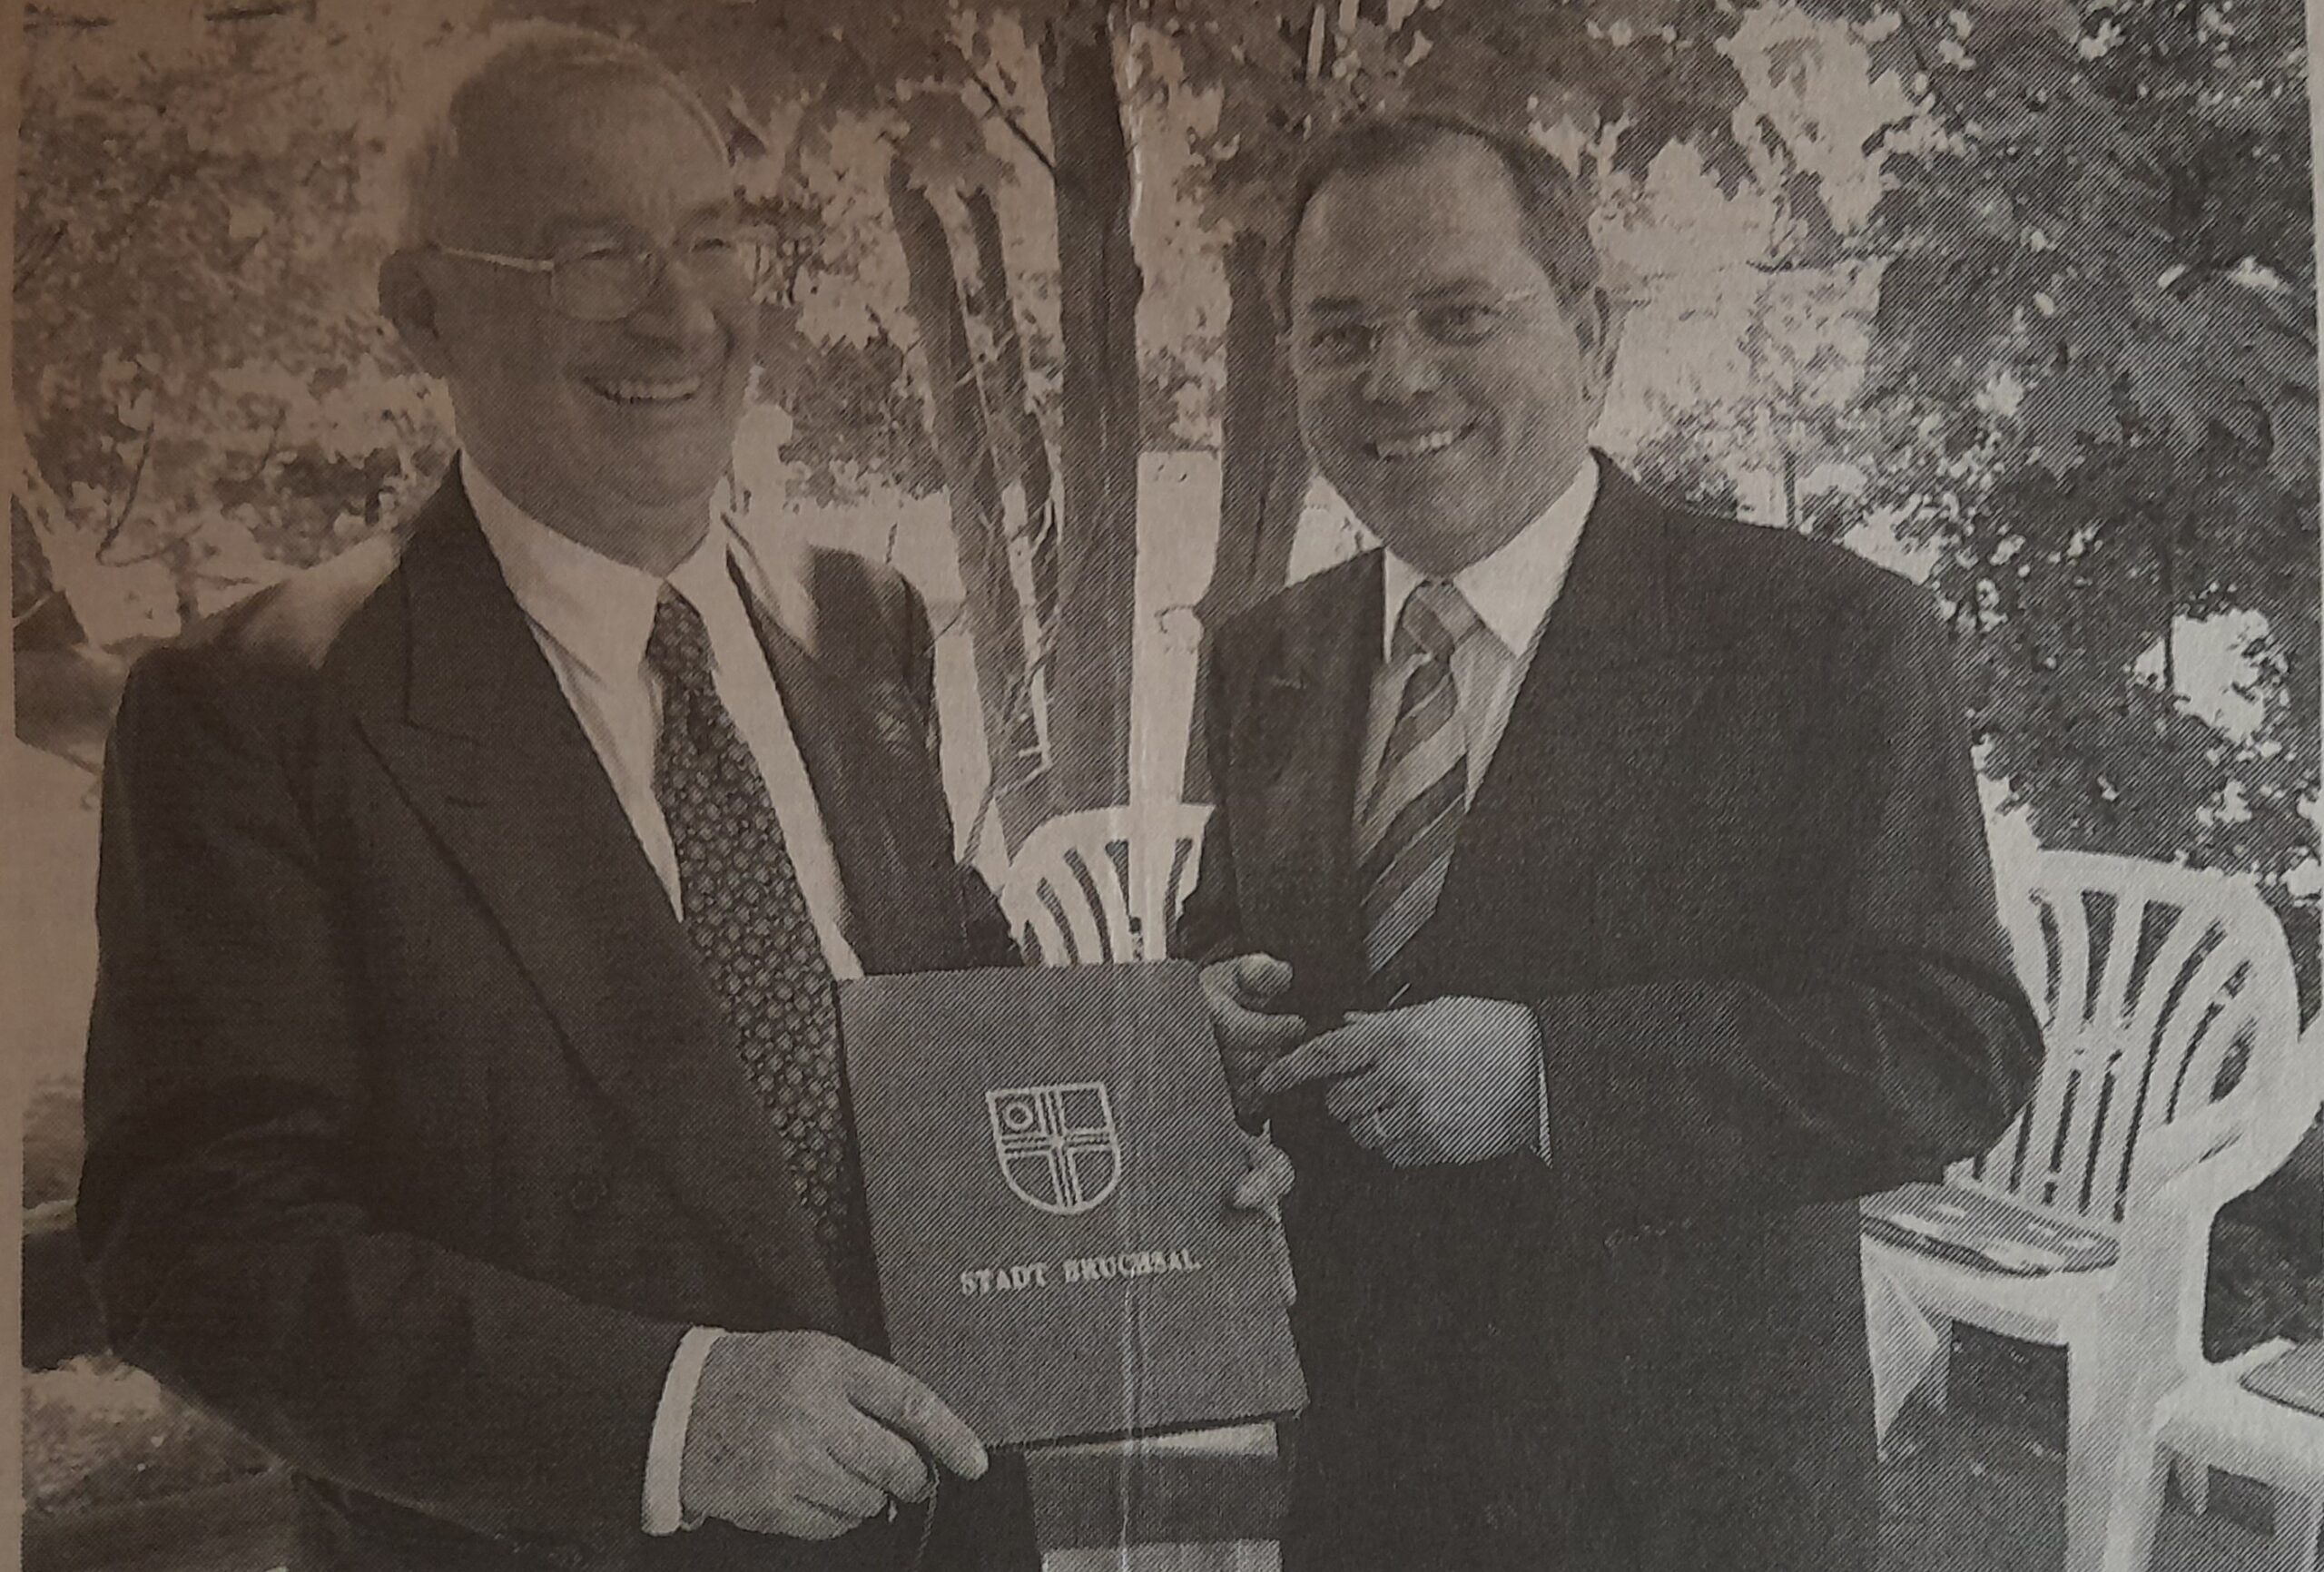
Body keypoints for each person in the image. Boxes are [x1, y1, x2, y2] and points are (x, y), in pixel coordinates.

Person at [80, 27, 1078, 1570]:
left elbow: (938, 990)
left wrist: (1153, 1087)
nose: (681, 314)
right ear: (424, 310)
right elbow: (201, 1248)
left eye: (710, 240)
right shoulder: (259, 712)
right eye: (594, 254)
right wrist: (673, 1419)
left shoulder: (860, 618)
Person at [1178, 114, 2044, 1572]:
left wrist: (1544, 1078)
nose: (1397, 379)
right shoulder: (1269, 654)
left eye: (1459, 318)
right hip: (1362, 1485)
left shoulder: (1823, 636)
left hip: (1681, 1502)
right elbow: (1227, 939)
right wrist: (1208, 1023)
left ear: (1590, 334)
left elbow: (1948, 1042)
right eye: (1338, 336)